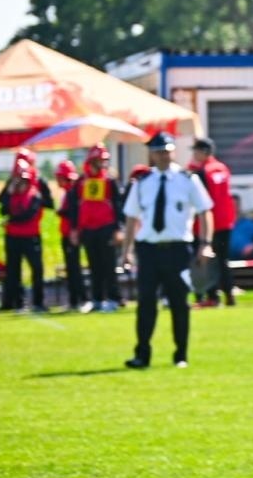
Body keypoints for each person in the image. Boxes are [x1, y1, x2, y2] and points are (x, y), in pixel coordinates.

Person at [121, 133, 213, 369]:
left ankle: (180, 354)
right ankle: (142, 354)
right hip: (149, 249)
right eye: (159, 151)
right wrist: (127, 252)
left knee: (179, 303)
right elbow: (131, 218)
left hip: (178, 250)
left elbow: (205, 211)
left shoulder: (187, 179)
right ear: (151, 153)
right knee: (146, 304)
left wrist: (205, 243)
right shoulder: (142, 181)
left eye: (167, 150)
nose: (164, 155)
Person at [0, 153, 51, 313]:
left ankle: (38, 302)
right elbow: (2, 209)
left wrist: (11, 220)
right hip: (13, 237)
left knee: (36, 269)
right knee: (13, 270)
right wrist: (9, 192)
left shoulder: (35, 195)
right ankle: (17, 302)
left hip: (30, 236)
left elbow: (28, 215)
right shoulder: (12, 195)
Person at [73, 144, 124, 312]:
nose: (103, 164)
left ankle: (113, 298)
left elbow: (117, 206)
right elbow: (75, 206)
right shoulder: (81, 181)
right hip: (88, 229)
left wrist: (118, 229)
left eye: (104, 160)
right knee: (94, 266)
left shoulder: (110, 180)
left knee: (109, 265)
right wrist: (75, 229)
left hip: (107, 227)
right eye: (100, 160)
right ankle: (96, 299)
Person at [191, 138, 237, 307]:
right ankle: (229, 295)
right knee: (223, 261)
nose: (194, 154)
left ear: (203, 152)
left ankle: (212, 297)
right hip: (225, 222)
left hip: (208, 225)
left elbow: (201, 201)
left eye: (196, 151)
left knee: (207, 261)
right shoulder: (222, 168)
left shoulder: (201, 172)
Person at [54, 160, 87, 312]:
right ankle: (74, 299)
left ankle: (80, 299)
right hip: (66, 233)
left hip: (71, 234)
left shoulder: (72, 192)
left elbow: (74, 212)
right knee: (72, 268)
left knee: (74, 268)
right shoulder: (68, 192)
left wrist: (61, 212)